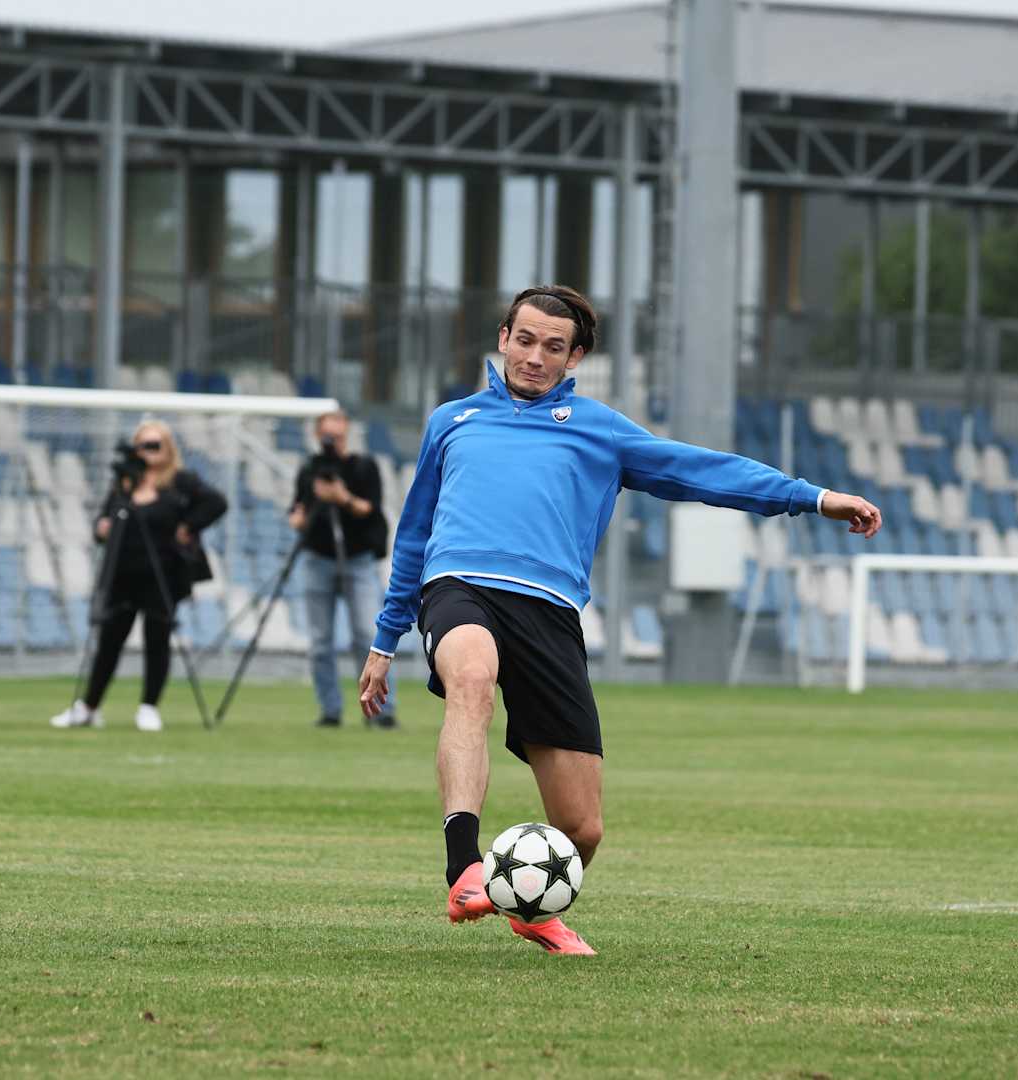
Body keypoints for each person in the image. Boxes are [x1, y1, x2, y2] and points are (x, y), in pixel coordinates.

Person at [356, 284, 883, 956]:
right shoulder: (451, 421)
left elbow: (702, 472)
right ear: (503, 339)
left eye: (553, 347)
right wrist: (385, 640)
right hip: (459, 587)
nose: (535, 357)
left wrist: (813, 497)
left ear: (574, 358)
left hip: (548, 612)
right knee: (471, 680)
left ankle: (531, 908)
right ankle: (463, 867)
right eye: (525, 340)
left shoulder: (599, 429)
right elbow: (413, 534)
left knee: (583, 829)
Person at [51, 419, 227, 732]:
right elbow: (103, 521)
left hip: (162, 575)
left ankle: (149, 707)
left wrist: (188, 526)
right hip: (122, 573)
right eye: (142, 445)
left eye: (154, 445)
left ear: (168, 449)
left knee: (157, 639)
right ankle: (89, 707)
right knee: (109, 642)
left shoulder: (181, 482)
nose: (147, 451)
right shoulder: (126, 482)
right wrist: (101, 529)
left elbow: (217, 503)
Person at [288, 410, 395, 729]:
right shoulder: (310, 469)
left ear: (347, 434)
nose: (331, 441)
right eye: (327, 436)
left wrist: (341, 497)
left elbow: (370, 509)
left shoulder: (364, 466)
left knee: (367, 635)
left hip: (358, 558)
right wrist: (300, 516)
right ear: (317, 435)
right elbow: (297, 510)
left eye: (337, 436)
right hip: (317, 558)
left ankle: (381, 710)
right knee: (320, 642)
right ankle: (330, 710)